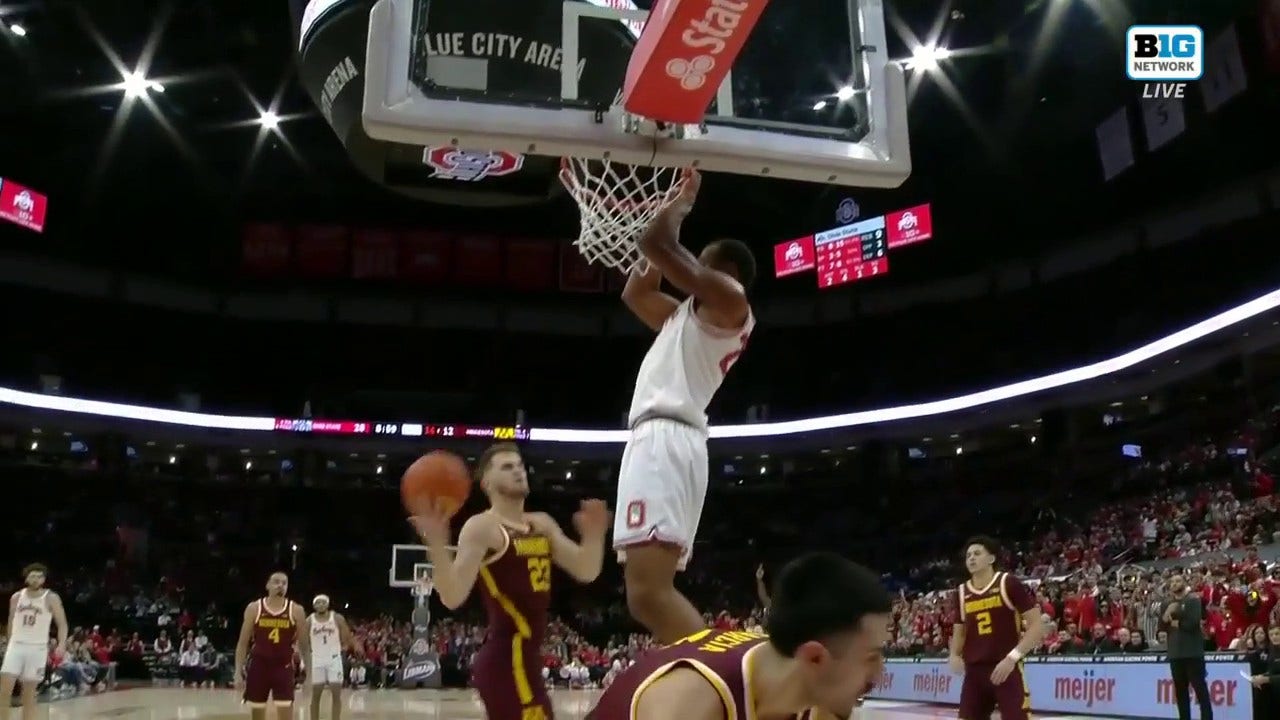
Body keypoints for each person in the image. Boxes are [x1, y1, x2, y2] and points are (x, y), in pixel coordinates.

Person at [615, 168, 757, 644]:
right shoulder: (685, 316)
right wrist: (656, 218)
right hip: (659, 440)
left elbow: (659, 247)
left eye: (698, 262)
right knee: (648, 595)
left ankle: (719, 686)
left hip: (667, 439)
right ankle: (701, 683)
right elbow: (635, 292)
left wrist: (678, 202)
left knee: (648, 595)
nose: (688, 267)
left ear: (725, 273)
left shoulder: (732, 302)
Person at [409, 442, 611, 720]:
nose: (518, 471)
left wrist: (594, 535)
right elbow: (452, 596)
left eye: (519, 465)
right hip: (506, 660)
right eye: (507, 467)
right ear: (486, 483)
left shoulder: (542, 523)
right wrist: (436, 546)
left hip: (526, 660)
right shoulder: (483, 527)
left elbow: (586, 570)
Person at [586, 552, 890, 720]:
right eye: (870, 658)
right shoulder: (689, 705)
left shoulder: (814, 699)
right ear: (814, 657)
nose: (878, 675)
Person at [947, 536, 1045, 720]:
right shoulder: (961, 592)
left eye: (977, 553)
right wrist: (953, 654)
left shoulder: (1008, 583)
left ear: (991, 559)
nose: (971, 558)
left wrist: (1012, 658)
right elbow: (959, 632)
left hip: (1005, 667)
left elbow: (1036, 626)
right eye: (968, 555)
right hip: (974, 672)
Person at [235, 572, 310, 720]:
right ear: (267, 585)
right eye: (276, 582)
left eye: (284, 583)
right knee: (257, 713)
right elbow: (242, 643)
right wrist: (237, 672)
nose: (280, 585)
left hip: (283, 667)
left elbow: (305, 646)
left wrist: (309, 676)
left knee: (286, 713)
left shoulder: (296, 610)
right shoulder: (254, 608)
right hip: (259, 666)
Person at [1, 564, 68, 720]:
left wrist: (62, 644)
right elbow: (11, 620)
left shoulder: (51, 598)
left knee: (29, 695)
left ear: (44, 579)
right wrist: (9, 642)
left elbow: (62, 623)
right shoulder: (17, 597)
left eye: (39, 576)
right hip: (16, 646)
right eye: (33, 576)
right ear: (26, 578)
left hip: (37, 648)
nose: (36, 579)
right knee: (4, 690)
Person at [1163, 573, 1212, 720]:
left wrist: (1174, 619)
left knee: (1200, 691)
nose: (1174, 584)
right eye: (1172, 582)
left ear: (1184, 583)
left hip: (1193, 653)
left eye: (1178, 581)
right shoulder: (1167, 603)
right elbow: (1162, 626)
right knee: (1180, 693)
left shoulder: (1193, 600)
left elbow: (1192, 624)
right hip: (1175, 654)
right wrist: (1167, 613)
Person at [306, 594, 361, 720]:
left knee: (336, 694)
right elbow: (303, 639)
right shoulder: (309, 620)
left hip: (333, 659)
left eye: (323, 602)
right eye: (318, 602)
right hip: (317, 659)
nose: (320, 605)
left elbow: (347, 635)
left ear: (328, 604)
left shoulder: (336, 618)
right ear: (314, 605)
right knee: (316, 696)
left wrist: (354, 645)